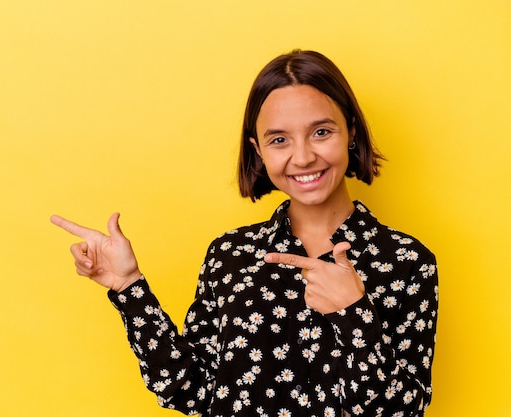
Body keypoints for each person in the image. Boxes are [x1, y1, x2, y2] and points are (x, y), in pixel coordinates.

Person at [51, 50, 439, 417]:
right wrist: (128, 287)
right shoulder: (230, 254)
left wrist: (354, 315)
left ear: (350, 131)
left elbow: (404, 411)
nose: (302, 157)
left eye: (321, 132)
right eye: (279, 139)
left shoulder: (407, 263)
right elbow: (190, 388)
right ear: (258, 149)